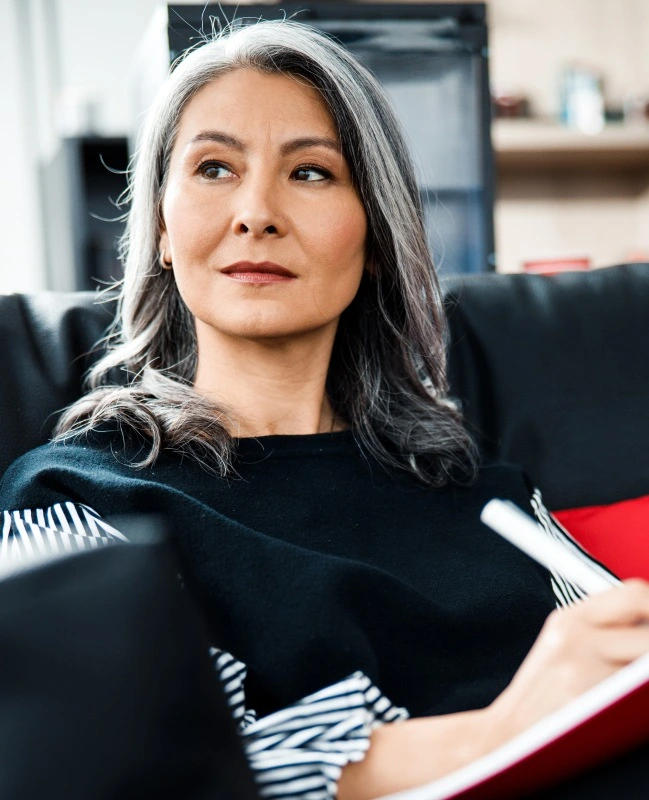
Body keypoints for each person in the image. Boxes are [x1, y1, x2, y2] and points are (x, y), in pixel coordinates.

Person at [2, 18, 649, 800]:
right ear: (162, 229)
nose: (256, 213)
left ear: (374, 236)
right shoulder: (75, 507)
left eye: (310, 174)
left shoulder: (482, 492)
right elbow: (156, 770)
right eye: (212, 168)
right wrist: (505, 727)